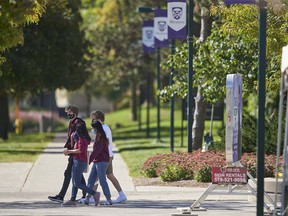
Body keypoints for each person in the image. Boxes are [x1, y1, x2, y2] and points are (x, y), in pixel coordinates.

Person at [48, 105, 88, 203]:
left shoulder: (79, 123)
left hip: (76, 152)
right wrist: (67, 148)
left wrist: (71, 150)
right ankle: (86, 195)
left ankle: (61, 196)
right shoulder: (71, 123)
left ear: (74, 112)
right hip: (72, 152)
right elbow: (70, 138)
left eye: (69, 112)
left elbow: (81, 138)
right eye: (67, 113)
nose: (68, 114)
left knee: (68, 174)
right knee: (78, 175)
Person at [90, 110, 127, 204]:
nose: (92, 122)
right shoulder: (105, 127)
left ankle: (91, 197)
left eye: (93, 119)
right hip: (109, 155)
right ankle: (121, 194)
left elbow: (101, 144)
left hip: (104, 157)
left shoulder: (103, 129)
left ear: (98, 119)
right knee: (110, 175)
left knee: (97, 177)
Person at [62, 123, 100, 207]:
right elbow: (74, 147)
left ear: (78, 130)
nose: (75, 132)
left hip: (79, 162)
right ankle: (72, 199)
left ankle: (94, 194)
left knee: (77, 183)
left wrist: (69, 151)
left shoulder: (82, 139)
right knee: (74, 181)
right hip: (76, 161)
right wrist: (72, 138)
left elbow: (80, 150)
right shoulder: (79, 138)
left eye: (76, 130)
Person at [86, 120, 113, 205]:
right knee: (90, 180)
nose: (92, 130)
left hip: (101, 162)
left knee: (102, 181)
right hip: (97, 161)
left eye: (93, 128)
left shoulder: (101, 138)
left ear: (96, 128)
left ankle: (108, 199)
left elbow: (96, 151)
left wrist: (88, 161)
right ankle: (87, 198)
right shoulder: (99, 136)